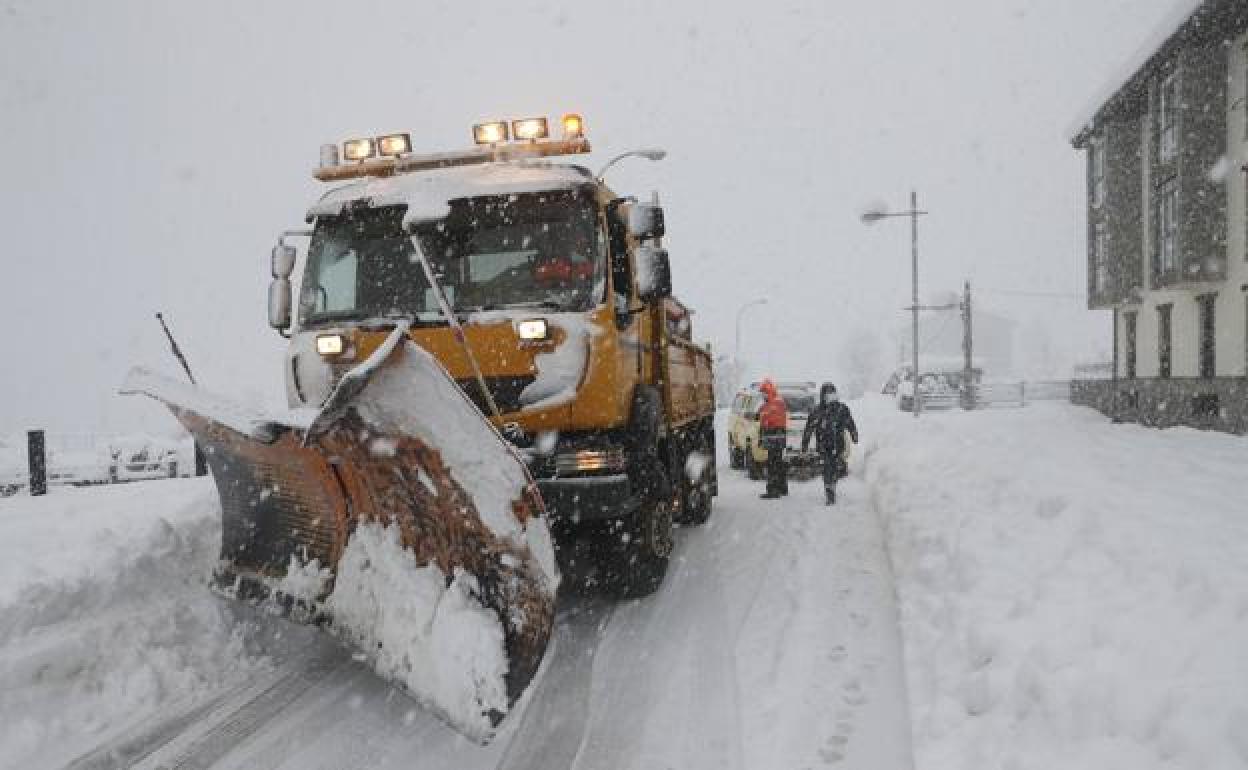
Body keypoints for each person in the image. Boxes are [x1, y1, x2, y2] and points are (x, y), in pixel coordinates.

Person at [801, 383, 859, 505]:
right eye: (828, 394)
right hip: (823, 445)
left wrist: (854, 435)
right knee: (828, 466)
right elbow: (809, 428)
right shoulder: (817, 410)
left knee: (834, 467)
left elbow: (850, 423)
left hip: (838, 444)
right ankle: (829, 491)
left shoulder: (842, 408)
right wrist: (805, 444)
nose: (830, 397)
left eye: (832, 394)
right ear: (823, 396)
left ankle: (831, 486)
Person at [757, 379, 789, 499]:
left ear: (769, 391)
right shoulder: (777, 402)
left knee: (772, 465)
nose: (763, 395)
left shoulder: (772, 404)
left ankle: (773, 490)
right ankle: (782, 487)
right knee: (778, 463)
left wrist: (763, 417)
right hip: (778, 438)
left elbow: (768, 421)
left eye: (764, 393)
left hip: (773, 438)